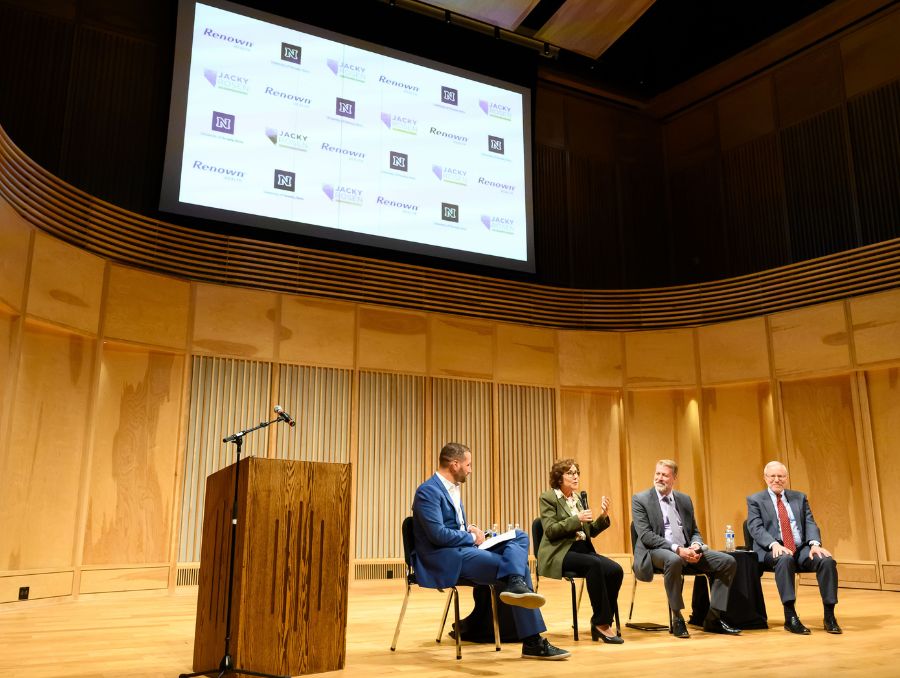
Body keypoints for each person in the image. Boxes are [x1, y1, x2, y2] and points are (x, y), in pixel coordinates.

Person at [411, 442, 571, 660]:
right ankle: (532, 641)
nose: (470, 469)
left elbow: (451, 526)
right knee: (516, 567)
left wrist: (471, 530)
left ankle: (516, 584)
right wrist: (470, 537)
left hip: (462, 548)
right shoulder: (427, 492)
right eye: (468, 465)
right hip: (445, 557)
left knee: (520, 536)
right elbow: (437, 535)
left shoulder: (452, 489)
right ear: (454, 464)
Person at [631, 459, 740, 638]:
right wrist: (677, 550)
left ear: (674, 478)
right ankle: (677, 617)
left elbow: (694, 531)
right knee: (673, 559)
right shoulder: (641, 499)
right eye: (657, 474)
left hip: (687, 550)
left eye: (664, 475)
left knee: (727, 561)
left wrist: (696, 545)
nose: (659, 478)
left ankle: (713, 618)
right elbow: (646, 536)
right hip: (656, 550)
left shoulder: (684, 499)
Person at [746, 461, 841, 635]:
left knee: (826, 561)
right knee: (784, 559)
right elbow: (755, 528)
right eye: (772, 476)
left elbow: (810, 522)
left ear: (787, 478)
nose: (777, 479)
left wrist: (814, 544)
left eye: (780, 476)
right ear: (765, 478)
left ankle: (829, 616)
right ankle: (790, 616)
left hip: (800, 548)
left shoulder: (799, 497)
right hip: (771, 550)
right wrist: (774, 544)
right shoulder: (755, 500)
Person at [538, 458, 624, 644]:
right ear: (559, 478)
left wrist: (603, 517)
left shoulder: (577, 498)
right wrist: (576, 519)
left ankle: (602, 619)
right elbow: (551, 531)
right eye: (570, 473)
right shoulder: (548, 498)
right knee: (594, 564)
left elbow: (589, 531)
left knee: (615, 570)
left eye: (577, 472)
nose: (575, 476)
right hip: (560, 551)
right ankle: (602, 624)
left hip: (582, 549)